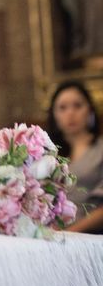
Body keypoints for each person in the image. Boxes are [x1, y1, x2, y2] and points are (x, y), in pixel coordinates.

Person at [47, 80, 103, 233]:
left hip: (91, 236)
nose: (70, 113)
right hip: (51, 235)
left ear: (90, 111)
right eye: (62, 108)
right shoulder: (48, 155)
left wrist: (70, 232)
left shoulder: (100, 150)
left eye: (77, 106)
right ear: (54, 116)